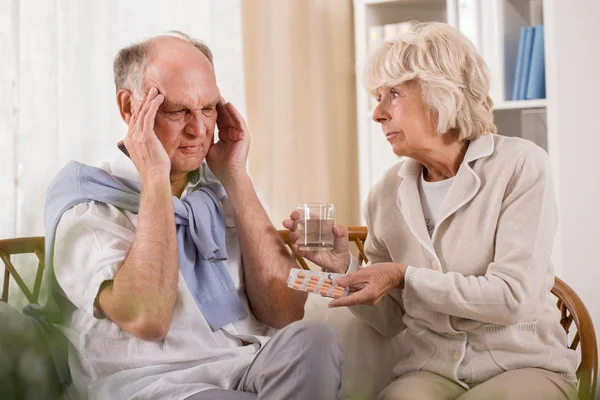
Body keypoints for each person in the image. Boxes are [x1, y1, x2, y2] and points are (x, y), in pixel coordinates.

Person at [284, 22, 577, 400]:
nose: (377, 114)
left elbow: (512, 297)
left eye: (393, 94)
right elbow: (390, 321)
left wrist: (404, 276)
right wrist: (345, 269)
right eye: (377, 97)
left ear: (443, 93)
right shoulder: (385, 193)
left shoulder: (520, 166)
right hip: (431, 370)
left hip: (523, 364)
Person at [44, 31, 342, 400]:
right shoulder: (87, 204)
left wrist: (236, 174)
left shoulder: (221, 189)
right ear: (128, 108)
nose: (199, 129)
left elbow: (284, 312)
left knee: (315, 338)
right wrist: (154, 179)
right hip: (154, 384)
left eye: (208, 108)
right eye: (178, 110)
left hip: (245, 365)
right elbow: (147, 319)